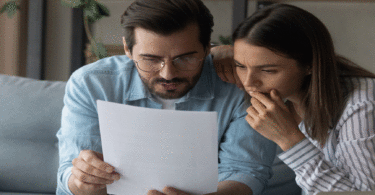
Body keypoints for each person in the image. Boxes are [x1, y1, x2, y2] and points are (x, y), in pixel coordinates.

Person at [56, 0, 277, 194]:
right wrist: (82, 182)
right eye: (150, 59)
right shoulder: (91, 83)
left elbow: (246, 172)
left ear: (208, 48)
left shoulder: (238, 84)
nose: (168, 74)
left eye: (185, 59)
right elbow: (69, 171)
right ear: (127, 48)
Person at [213, 3, 375, 195]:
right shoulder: (278, 95)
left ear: (310, 65)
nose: (249, 83)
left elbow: (361, 193)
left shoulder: (361, 104)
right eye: (240, 66)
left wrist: (290, 139)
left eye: (267, 70)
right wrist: (211, 52)